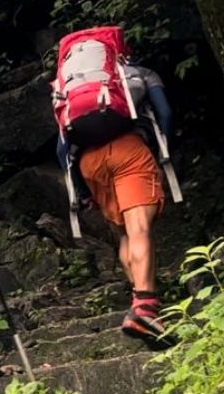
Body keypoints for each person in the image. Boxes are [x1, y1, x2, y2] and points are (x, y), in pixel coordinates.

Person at [57, 63, 174, 345]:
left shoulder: (69, 85)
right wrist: (163, 149)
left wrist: (82, 190)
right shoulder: (140, 73)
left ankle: (140, 302)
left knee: (124, 232)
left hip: (89, 163)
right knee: (139, 229)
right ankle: (145, 306)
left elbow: (62, 147)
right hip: (128, 150)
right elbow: (165, 114)